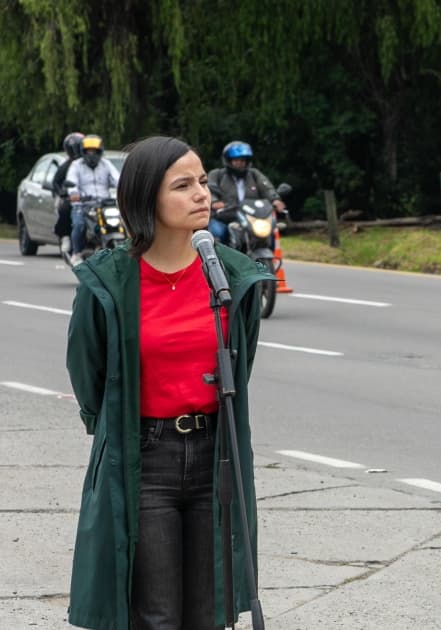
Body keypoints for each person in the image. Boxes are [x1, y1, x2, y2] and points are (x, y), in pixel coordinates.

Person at [65, 136, 274, 629]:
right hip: (146, 457)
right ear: (145, 200)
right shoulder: (109, 282)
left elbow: (238, 369)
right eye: (183, 185)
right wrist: (120, 428)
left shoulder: (232, 277)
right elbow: (87, 372)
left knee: (211, 611)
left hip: (215, 454)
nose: (202, 193)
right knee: (155, 614)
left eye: (202, 181)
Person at [207, 140, 285, 247]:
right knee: (218, 233)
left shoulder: (254, 174)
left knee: (268, 231)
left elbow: (267, 188)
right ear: (228, 160)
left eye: (243, 160)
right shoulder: (217, 175)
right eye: (236, 160)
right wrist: (215, 202)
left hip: (251, 217)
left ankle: (268, 258)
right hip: (224, 217)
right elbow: (208, 190)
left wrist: (275, 199)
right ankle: (217, 262)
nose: (240, 163)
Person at [65, 134, 120, 265]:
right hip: (83, 204)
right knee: (79, 224)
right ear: (83, 152)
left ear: (100, 151)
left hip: (104, 204)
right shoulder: (76, 165)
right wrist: (74, 193)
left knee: (121, 222)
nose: (91, 154)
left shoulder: (106, 164)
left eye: (94, 151)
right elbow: (71, 182)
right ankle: (77, 253)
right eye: (88, 151)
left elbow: (118, 180)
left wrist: (126, 189)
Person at [52, 131, 86, 251]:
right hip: (71, 197)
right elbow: (56, 182)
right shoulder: (66, 166)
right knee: (64, 208)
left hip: (89, 196)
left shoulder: (94, 163)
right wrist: (62, 193)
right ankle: (65, 235)